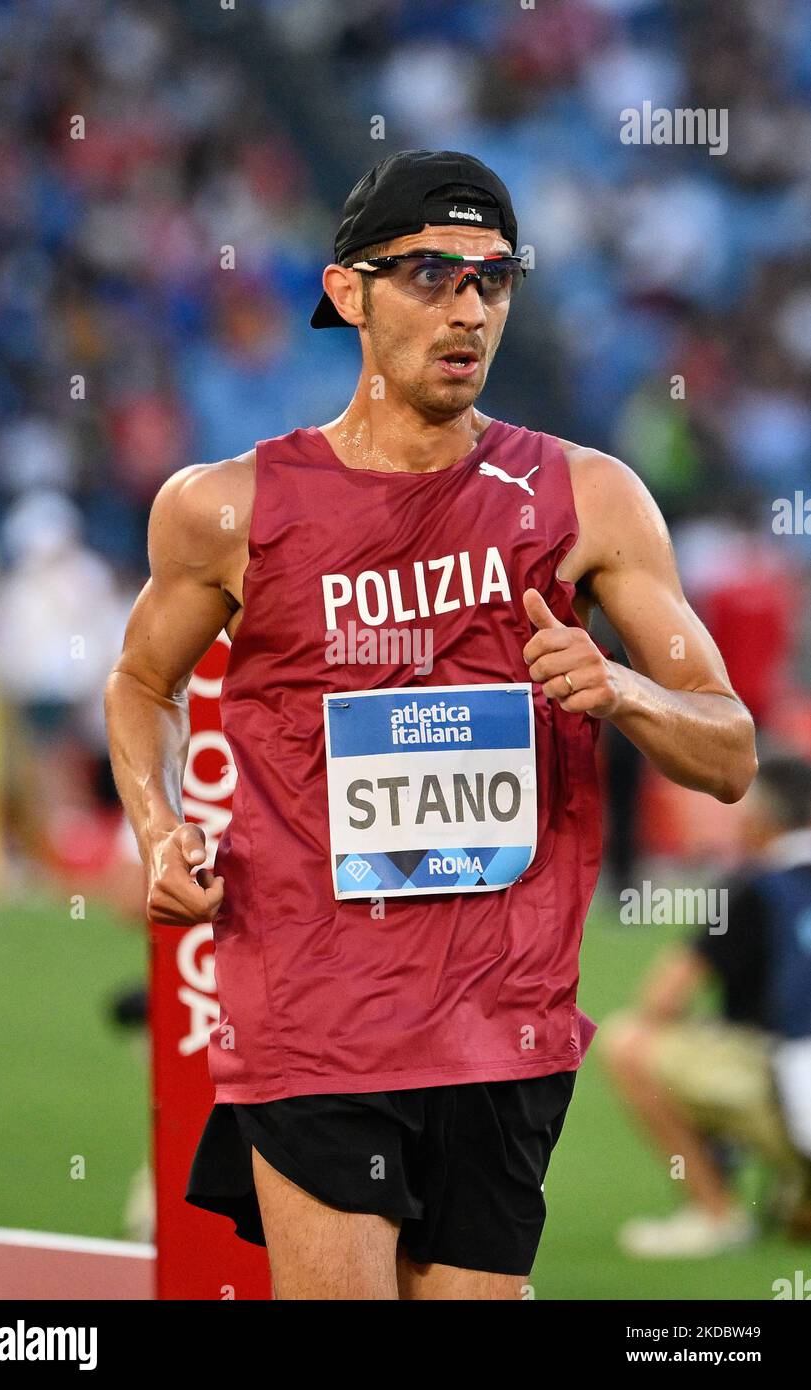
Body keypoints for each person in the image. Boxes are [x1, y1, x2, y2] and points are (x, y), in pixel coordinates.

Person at [105, 149, 757, 1300]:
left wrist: (621, 688)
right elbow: (140, 684)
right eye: (429, 275)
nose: (468, 308)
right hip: (316, 1011)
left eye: (493, 280)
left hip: (506, 1026)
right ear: (347, 291)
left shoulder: (586, 498)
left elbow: (728, 748)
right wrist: (159, 825)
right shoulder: (225, 508)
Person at [601, 754, 811, 1258]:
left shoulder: (754, 884)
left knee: (628, 1043)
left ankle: (717, 1212)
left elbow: (661, 998)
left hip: (792, 1089)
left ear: (764, 818)